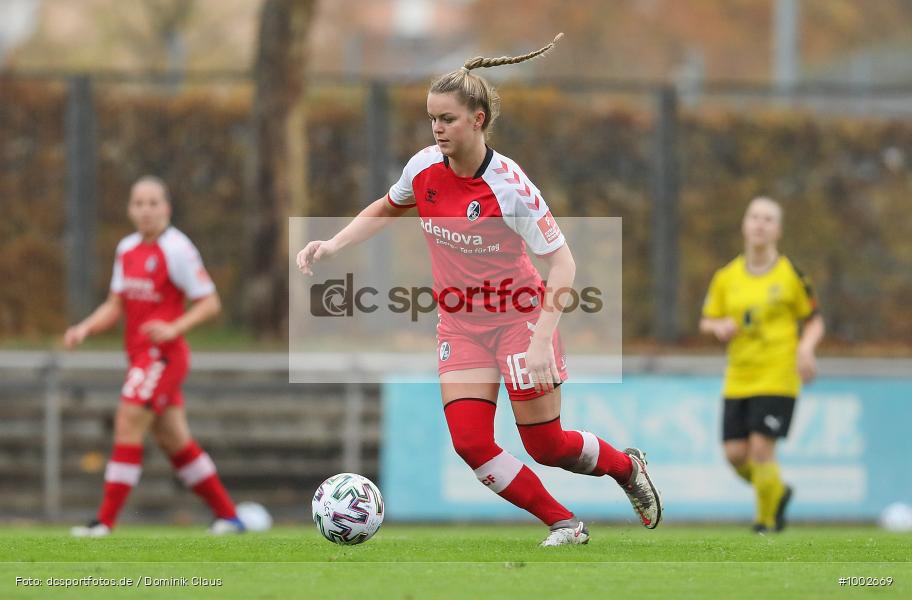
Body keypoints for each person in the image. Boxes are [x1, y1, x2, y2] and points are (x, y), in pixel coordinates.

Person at [297, 34, 662, 546]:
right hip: (461, 326)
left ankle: (626, 467)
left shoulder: (510, 186)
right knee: (470, 442)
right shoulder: (423, 167)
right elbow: (385, 207)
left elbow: (563, 262)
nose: (437, 129)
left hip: (520, 321)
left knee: (547, 445)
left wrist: (539, 340)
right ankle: (565, 524)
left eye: (447, 119)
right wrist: (333, 244)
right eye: (431, 119)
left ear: (478, 119)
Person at [65, 176, 243, 537]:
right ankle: (229, 517)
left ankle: (104, 523)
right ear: (130, 209)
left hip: (162, 357)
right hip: (139, 357)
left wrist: (175, 327)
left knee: (128, 418)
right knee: (174, 440)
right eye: (138, 203)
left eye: (153, 203)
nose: (146, 210)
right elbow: (116, 303)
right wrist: (85, 328)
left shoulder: (177, 248)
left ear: (167, 208)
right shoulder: (127, 248)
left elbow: (210, 302)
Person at [700, 196, 825, 533]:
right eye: (754, 217)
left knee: (760, 449)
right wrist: (719, 326)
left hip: (778, 372)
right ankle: (777, 492)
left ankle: (766, 522)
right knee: (735, 454)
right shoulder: (726, 276)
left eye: (768, 219)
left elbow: (814, 321)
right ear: (744, 224)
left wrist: (806, 349)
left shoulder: (791, 275)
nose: (759, 224)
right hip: (740, 374)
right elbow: (706, 321)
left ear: (778, 230)